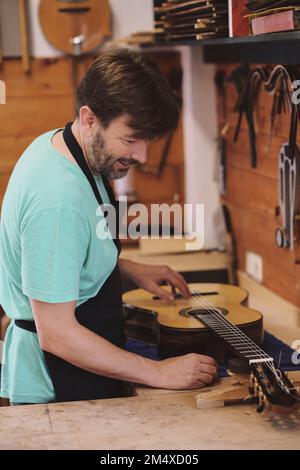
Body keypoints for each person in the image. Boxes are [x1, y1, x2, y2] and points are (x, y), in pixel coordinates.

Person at [0, 48, 217, 405]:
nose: (142, 156)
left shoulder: (67, 147)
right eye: (131, 139)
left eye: (147, 141)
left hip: (82, 364)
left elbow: (66, 252)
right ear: (89, 119)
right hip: (58, 382)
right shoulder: (57, 199)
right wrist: (159, 372)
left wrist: (129, 270)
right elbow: (56, 334)